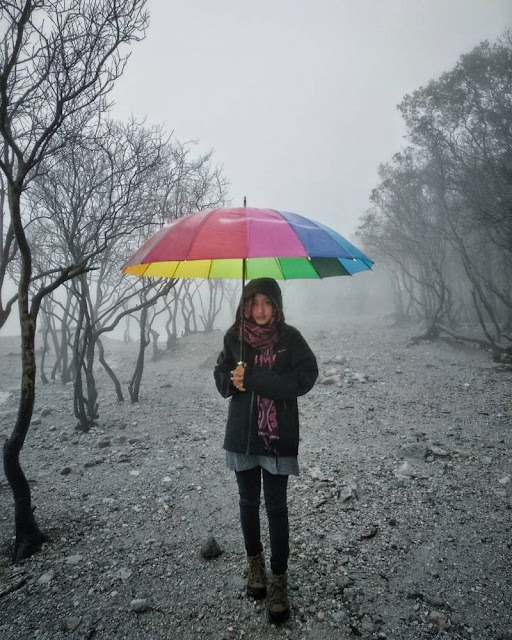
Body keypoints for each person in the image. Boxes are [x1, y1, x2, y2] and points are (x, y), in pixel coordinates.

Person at [214, 278, 318, 623]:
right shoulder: (234, 338)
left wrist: (255, 377)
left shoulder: (290, 339)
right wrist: (232, 379)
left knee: (275, 507)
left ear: (276, 305)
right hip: (242, 435)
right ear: (245, 305)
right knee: (247, 502)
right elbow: (220, 375)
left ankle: (278, 578)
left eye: (267, 302)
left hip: (277, 438)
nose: (260, 310)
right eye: (253, 302)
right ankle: (255, 566)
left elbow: (304, 379)